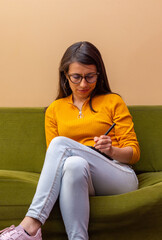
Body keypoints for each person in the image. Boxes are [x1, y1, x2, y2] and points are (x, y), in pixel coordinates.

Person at [0, 41, 140, 240]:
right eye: (76, 77)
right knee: (73, 163)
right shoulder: (55, 109)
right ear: (65, 76)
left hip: (118, 175)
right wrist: (80, 152)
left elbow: (134, 153)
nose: (83, 84)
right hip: (80, 176)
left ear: (99, 74)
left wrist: (111, 151)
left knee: (60, 144)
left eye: (90, 76)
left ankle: (30, 225)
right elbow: (55, 159)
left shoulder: (113, 102)